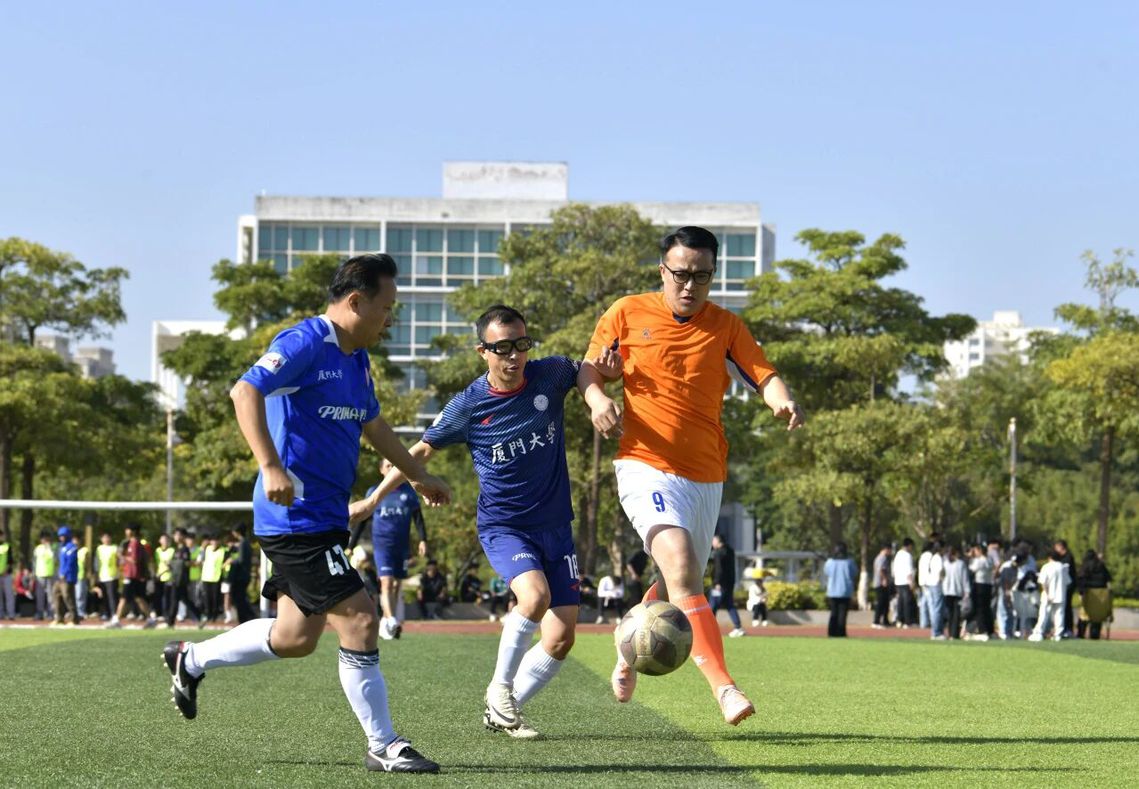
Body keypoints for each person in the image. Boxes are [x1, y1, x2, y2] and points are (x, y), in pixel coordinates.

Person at [160, 253, 450, 774]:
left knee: (294, 637)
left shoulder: (357, 358)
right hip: (295, 518)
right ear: (355, 301)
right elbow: (244, 391)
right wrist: (270, 465)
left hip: (324, 519)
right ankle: (383, 744)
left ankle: (192, 659)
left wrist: (417, 475)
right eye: (386, 308)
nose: (390, 319)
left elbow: (374, 426)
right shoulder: (304, 342)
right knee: (361, 618)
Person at [581, 226, 804, 726]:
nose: (689, 285)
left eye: (702, 276)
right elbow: (589, 369)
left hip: (705, 476)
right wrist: (597, 398)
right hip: (644, 464)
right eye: (680, 274)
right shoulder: (626, 312)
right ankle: (724, 687)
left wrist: (782, 401)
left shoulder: (726, 326)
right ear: (662, 270)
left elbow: (763, 374)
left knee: (677, 582)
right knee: (681, 564)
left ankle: (628, 643)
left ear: (713, 275)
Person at [357, 304, 612, 740]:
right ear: (483, 351)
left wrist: (603, 387)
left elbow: (586, 369)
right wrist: (373, 500)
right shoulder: (468, 405)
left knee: (561, 638)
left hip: (556, 526)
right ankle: (499, 689)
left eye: (521, 345)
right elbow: (419, 451)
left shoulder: (550, 374)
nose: (514, 356)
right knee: (534, 597)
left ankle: (503, 710)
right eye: (502, 348)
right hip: (504, 526)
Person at [348, 457, 428, 641]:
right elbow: (363, 519)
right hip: (382, 544)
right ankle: (391, 620)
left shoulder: (409, 492)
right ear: (381, 470)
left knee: (396, 584)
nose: (392, 468)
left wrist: (423, 540)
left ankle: (386, 620)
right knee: (386, 582)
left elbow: (418, 519)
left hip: (402, 545)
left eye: (394, 465)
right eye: (388, 465)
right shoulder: (374, 491)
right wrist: (351, 546)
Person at [107, 524, 156, 629]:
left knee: (123, 598)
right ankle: (150, 620)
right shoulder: (133, 543)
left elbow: (134, 560)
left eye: (127, 529)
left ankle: (116, 620)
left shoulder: (134, 543)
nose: (126, 532)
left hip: (132, 575)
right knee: (139, 598)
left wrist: (122, 556)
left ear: (133, 531)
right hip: (135, 575)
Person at [1029, 548, 1070, 642]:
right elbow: (1067, 582)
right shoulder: (1063, 567)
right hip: (1060, 594)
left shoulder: (1047, 567)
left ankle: (1038, 633)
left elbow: (1043, 582)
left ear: (1050, 557)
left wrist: (1047, 593)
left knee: (1043, 614)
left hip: (1048, 595)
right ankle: (1058, 634)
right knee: (1059, 615)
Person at [166, 528, 204, 628]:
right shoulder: (177, 549)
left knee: (175, 600)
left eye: (178, 534)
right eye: (175, 534)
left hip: (180, 579)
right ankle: (200, 617)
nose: (175, 537)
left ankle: (170, 623)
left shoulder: (184, 549)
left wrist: (172, 563)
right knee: (185, 599)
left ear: (183, 536)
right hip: (176, 578)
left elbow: (184, 563)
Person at [709, 534, 745, 638]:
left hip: (720, 585)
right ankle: (738, 627)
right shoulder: (730, 551)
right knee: (729, 605)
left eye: (713, 540)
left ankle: (710, 629)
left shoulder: (718, 553)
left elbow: (719, 569)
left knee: (712, 607)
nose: (712, 543)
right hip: (729, 583)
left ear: (718, 541)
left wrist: (717, 582)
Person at [823, 543, 857, 637]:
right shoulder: (849, 562)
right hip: (845, 591)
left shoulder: (829, 562)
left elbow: (826, 572)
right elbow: (854, 573)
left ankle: (831, 632)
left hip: (832, 591)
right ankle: (841, 632)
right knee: (842, 613)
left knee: (833, 612)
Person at [1076, 550, 1112, 640]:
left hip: (1088, 593)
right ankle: (1094, 634)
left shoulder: (1085, 566)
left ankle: (1081, 634)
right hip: (1102, 594)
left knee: (1084, 615)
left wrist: (1081, 593)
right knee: (1097, 616)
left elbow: (1081, 579)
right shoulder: (1101, 565)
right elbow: (1108, 579)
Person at [52, 526, 80, 626]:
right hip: (60, 576)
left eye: (63, 536)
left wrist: (64, 573)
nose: (61, 538)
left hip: (68, 577)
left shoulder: (72, 547)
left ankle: (74, 619)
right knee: (56, 595)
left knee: (68, 597)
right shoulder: (61, 547)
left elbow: (70, 563)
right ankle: (59, 618)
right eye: (60, 536)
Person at [918, 540, 945, 639]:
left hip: (928, 583)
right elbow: (940, 572)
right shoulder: (937, 557)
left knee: (931, 606)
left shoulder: (930, 557)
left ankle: (933, 629)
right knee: (937, 608)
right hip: (936, 584)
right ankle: (936, 632)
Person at [941, 545, 969, 640]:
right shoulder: (960, 564)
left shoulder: (945, 563)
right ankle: (954, 634)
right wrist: (967, 591)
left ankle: (950, 633)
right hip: (957, 591)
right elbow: (964, 579)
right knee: (956, 613)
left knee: (950, 613)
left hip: (947, 591)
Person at [967, 544, 994, 640]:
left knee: (979, 609)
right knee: (987, 609)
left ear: (979, 551)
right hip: (988, 585)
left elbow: (971, 569)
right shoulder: (989, 560)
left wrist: (970, 558)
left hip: (979, 585)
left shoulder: (979, 560)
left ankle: (982, 630)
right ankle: (990, 630)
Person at [1053, 540, 1077, 637]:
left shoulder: (1068, 557)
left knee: (1067, 607)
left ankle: (1068, 628)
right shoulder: (1061, 558)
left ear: (1061, 547)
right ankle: (1062, 628)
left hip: (1068, 586)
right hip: (1062, 586)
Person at [891, 539, 917, 628]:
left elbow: (894, 569)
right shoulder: (907, 555)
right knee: (907, 602)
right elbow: (909, 570)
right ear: (909, 545)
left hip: (898, 581)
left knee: (900, 602)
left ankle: (899, 620)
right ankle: (907, 621)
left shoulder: (897, 554)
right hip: (906, 581)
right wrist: (911, 582)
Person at [94, 531, 119, 621]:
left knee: (112, 596)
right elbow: (97, 562)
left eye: (108, 537)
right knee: (104, 596)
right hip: (102, 576)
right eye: (104, 538)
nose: (106, 539)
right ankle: (106, 613)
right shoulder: (99, 549)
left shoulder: (114, 548)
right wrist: (96, 574)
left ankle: (114, 613)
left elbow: (118, 560)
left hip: (112, 575)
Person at [33, 530, 56, 621]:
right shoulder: (37, 549)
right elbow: (34, 562)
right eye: (43, 538)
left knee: (51, 595)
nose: (45, 540)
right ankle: (40, 613)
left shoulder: (53, 548)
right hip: (40, 574)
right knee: (40, 596)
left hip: (50, 574)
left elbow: (55, 558)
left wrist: (49, 547)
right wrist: (33, 574)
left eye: (46, 538)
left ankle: (51, 613)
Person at [871, 544, 892, 628]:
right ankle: (876, 621)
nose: (890, 552)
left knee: (885, 603)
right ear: (886, 549)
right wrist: (884, 579)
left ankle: (885, 620)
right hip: (880, 583)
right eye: (890, 550)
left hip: (880, 582)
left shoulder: (880, 558)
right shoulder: (882, 558)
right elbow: (880, 570)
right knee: (880, 603)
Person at [0, 527, 15, 620]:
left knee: (9, 595)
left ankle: (11, 614)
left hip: (6, 575)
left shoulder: (7, 546)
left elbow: (10, 560)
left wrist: (6, 570)